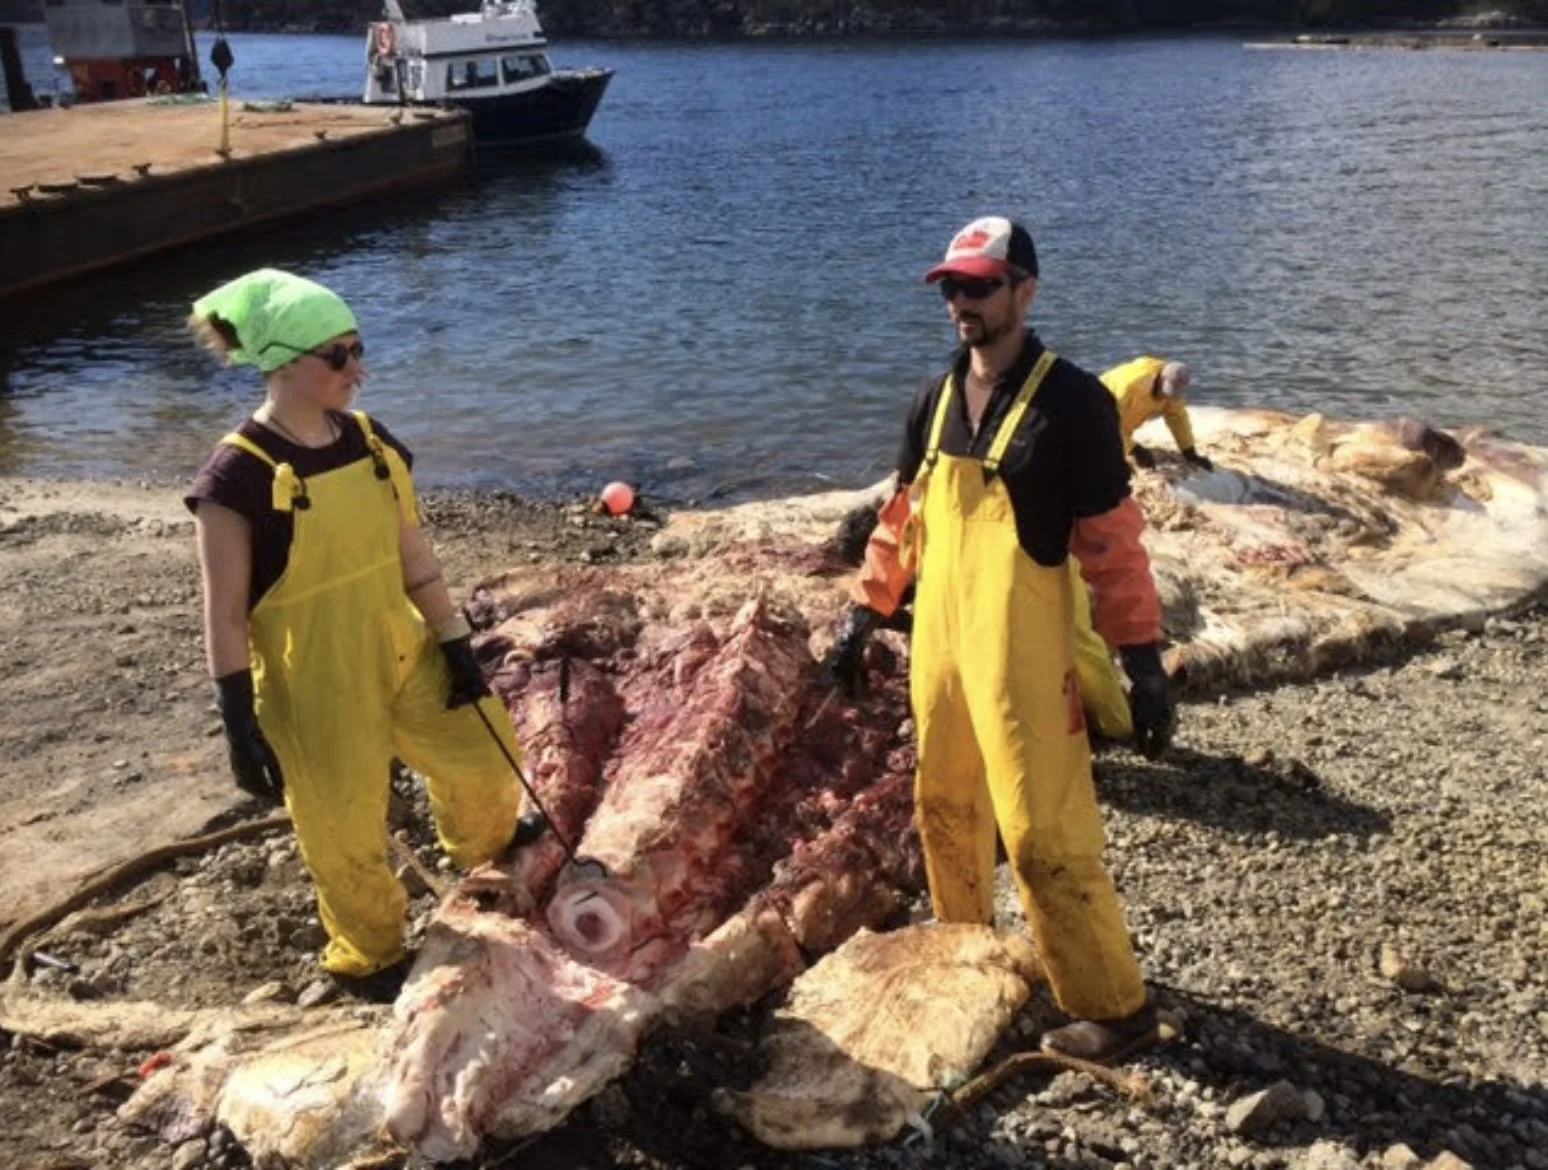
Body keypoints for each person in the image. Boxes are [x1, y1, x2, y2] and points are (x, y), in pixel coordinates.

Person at [824, 217, 1174, 1064]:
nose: (962, 304)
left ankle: (1112, 1008)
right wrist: (866, 612)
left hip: (1025, 660)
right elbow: (903, 518)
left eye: (980, 285)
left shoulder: (1074, 404)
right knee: (943, 804)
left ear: (1026, 289)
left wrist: (1140, 659)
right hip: (941, 646)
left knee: (1042, 832)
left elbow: (1112, 544)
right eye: (951, 287)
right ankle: (963, 946)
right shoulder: (935, 398)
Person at [184, 268, 544, 984]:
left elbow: (414, 555)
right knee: (343, 830)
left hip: (403, 647)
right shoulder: (236, 477)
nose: (360, 369)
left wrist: (454, 643)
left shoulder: (373, 444)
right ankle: (370, 957)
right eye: (340, 355)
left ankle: (482, 847)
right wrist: (236, 716)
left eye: (359, 348)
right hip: (312, 681)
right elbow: (224, 613)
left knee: (486, 753)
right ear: (284, 362)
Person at [1100, 356, 1213, 471]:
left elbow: (1178, 418)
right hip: (1094, 410)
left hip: (1121, 423)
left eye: (1172, 394)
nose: (1165, 397)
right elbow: (1104, 424)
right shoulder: (1130, 387)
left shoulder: (1173, 390)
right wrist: (1134, 449)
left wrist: (1189, 452)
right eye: (1166, 391)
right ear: (1160, 377)